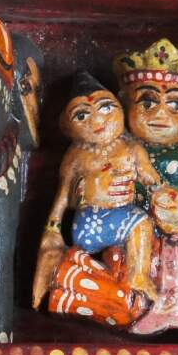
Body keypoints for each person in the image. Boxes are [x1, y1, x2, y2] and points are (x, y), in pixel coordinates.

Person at [35, 40, 178, 341]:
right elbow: (75, 193)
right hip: (135, 246)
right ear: (124, 105)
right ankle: (141, 305)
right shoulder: (115, 146)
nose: (161, 114)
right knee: (125, 277)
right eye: (147, 102)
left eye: (176, 104)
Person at [38, 74, 166, 297]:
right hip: (90, 223)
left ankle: (116, 279)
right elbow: (63, 195)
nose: (97, 121)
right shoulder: (76, 156)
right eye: (82, 115)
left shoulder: (132, 149)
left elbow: (151, 178)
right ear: (67, 126)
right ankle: (137, 278)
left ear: (122, 110)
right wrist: (52, 228)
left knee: (148, 230)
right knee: (142, 223)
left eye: (106, 108)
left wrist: (159, 188)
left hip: (123, 215)